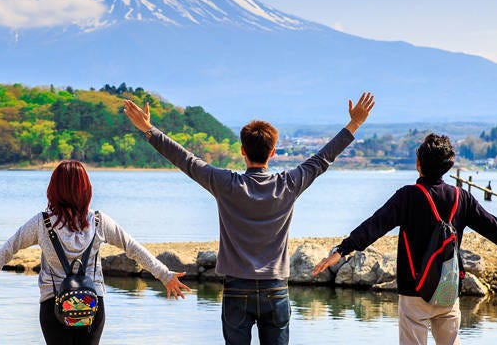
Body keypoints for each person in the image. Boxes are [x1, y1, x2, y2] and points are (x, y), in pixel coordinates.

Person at [123, 92, 375, 345]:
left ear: (242, 150)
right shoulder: (288, 184)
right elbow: (323, 159)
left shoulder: (225, 184)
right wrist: (354, 124)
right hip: (275, 288)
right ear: (273, 152)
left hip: (236, 288)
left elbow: (185, 160)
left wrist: (147, 128)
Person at [0, 159, 191, 345]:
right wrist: (165, 275)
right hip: (92, 303)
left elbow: (8, 250)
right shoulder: (100, 222)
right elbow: (134, 249)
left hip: (53, 304)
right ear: (86, 189)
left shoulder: (42, 223)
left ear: (54, 189)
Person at [311, 133, 497, 345]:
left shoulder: (408, 196)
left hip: (414, 290)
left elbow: (374, 226)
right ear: (448, 166)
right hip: (448, 289)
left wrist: (342, 250)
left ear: (418, 163)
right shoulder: (463, 198)